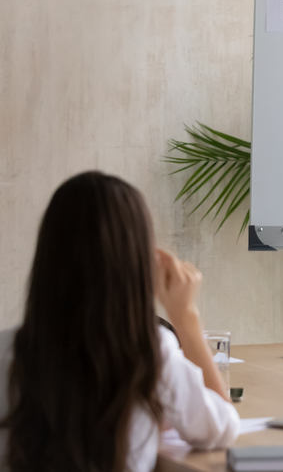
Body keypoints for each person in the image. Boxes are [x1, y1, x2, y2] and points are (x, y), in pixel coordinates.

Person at [0, 172, 238, 472]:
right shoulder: (151, 352)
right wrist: (185, 316)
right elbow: (223, 427)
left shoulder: (6, 351)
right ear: (136, 261)